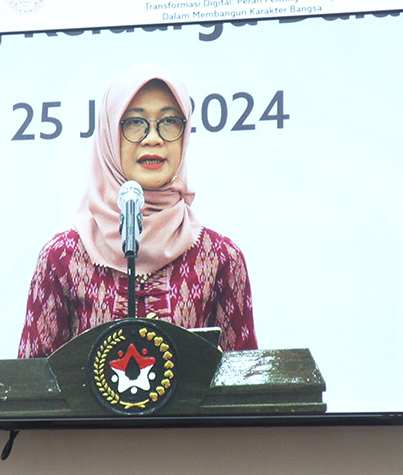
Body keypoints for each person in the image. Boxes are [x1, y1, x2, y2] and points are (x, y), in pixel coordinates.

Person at [18, 63, 257, 358]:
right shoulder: (62, 258)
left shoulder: (220, 258)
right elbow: (32, 388)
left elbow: (245, 386)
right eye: (134, 122)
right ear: (109, 134)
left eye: (169, 122)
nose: (153, 138)